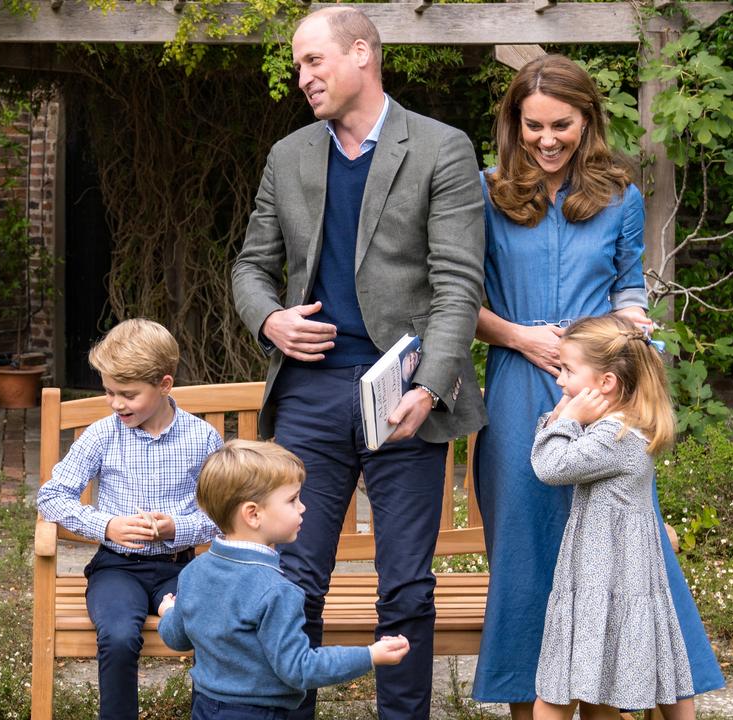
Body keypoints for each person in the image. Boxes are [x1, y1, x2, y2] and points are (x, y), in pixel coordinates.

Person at [232, 7, 487, 718]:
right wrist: (271, 317)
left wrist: (432, 387)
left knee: (405, 586)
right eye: (298, 66)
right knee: (292, 579)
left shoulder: (441, 148)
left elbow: (458, 285)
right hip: (310, 396)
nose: (303, 77)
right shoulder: (289, 156)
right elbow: (251, 267)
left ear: (362, 55)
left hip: (404, 397)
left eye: (314, 61)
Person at [471, 54, 723, 717]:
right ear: (512, 123)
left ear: (587, 121)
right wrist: (520, 336)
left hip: (607, 398)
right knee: (527, 562)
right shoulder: (483, 191)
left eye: (562, 125)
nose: (547, 140)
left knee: (621, 551)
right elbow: (456, 301)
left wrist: (634, 326)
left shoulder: (621, 198)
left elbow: (627, 289)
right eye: (533, 127)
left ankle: (616, 698)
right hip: (521, 394)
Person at [36, 318, 223, 720]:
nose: (116, 403)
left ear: (165, 385)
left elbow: (223, 513)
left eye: (128, 394)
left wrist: (179, 527)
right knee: (119, 636)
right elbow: (51, 496)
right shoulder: (103, 435)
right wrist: (106, 525)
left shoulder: (202, 438)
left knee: (209, 627)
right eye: (108, 392)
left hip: (180, 569)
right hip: (116, 569)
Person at [157, 439, 411, 719]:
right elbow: (299, 668)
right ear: (253, 514)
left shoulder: (195, 571)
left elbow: (177, 638)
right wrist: (370, 655)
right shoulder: (276, 590)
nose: (302, 508)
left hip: (205, 707)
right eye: (292, 500)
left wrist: (168, 611)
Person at [529, 314, 696, 719]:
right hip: (608, 578)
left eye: (568, 370)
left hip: (602, 578)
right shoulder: (621, 428)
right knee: (611, 685)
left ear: (606, 383)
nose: (560, 381)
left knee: (556, 691)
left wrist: (564, 418)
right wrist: (567, 418)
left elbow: (548, 466)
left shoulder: (614, 436)